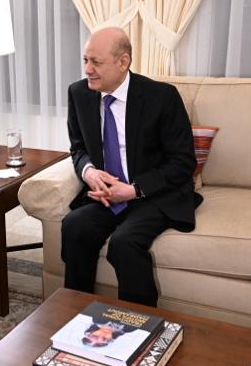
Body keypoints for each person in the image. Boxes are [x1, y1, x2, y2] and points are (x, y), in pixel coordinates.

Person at [61, 27, 200, 307]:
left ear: (123, 62)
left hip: (151, 194)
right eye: (85, 60)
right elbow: (78, 148)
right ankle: (76, 312)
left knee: (124, 243)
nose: (87, 69)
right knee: (75, 226)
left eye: (96, 62)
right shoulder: (79, 93)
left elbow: (183, 162)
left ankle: (140, 324)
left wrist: (133, 190)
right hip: (106, 195)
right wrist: (89, 172)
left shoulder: (162, 97)